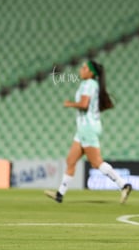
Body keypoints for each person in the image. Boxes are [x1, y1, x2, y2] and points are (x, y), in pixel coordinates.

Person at [45, 60, 132, 204]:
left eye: (84, 68)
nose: (81, 69)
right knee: (71, 160)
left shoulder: (89, 84)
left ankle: (123, 185)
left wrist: (70, 104)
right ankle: (59, 194)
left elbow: (84, 105)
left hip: (88, 128)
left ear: (91, 72)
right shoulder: (91, 85)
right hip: (84, 128)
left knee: (97, 162)